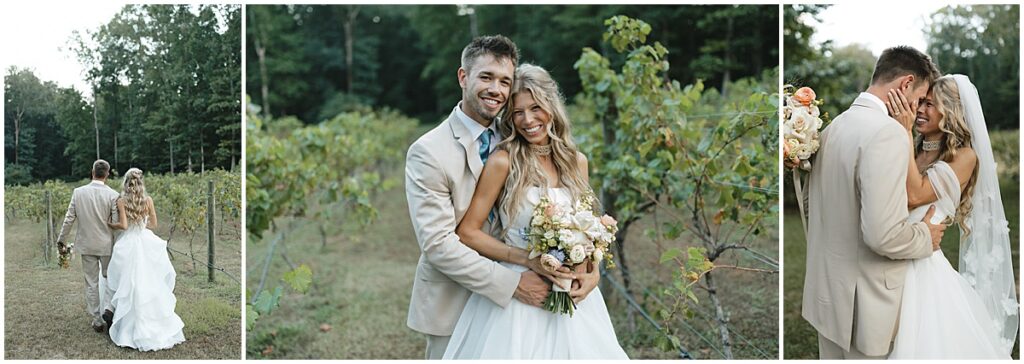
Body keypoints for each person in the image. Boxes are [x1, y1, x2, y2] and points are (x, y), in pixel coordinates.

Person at [442, 63, 626, 359]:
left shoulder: (576, 162)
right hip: (520, 293)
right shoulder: (503, 162)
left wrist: (594, 274)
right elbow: (467, 232)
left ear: (552, 106)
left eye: (536, 108)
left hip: (573, 294)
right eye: (517, 112)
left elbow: (588, 232)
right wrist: (530, 260)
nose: (528, 120)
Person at [404, 35, 552, 360]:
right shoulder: (428, 152)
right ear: (463, 77)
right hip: (456, 298)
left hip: (519, 307)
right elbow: (438, 244)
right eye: (486, 77)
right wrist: (513, 284)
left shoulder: (517, 137)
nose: (496, 90)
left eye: (504, 81)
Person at [801, 46, 947, 359]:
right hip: (864, 309)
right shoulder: (888, 134)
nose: (918, 107)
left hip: (828, 299)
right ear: (906, 84)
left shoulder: (832, 128)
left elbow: (814, 209)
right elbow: (882, 235)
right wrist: (926, 237)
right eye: (920, 98)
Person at [884, 75, 1017, 358]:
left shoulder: (965, 156)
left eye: (930, 104)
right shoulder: (915, 149)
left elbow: (915, 196)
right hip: (888, 257)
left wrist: (904, 134)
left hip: (922, 270)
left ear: (951, 111)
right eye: (920, 102)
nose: (919, 110)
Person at [106, 168, 185, 351]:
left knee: (130, 283)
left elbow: (124, 225)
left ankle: (128, 325)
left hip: (129, 242)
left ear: (126, 183)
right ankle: (154, 323)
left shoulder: (122, 201)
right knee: (148, 282)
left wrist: (111, 224)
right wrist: (142, 225)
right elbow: (154, 224)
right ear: (141, 183)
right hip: (144, 239)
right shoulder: (148, 200)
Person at [56, 159, 119, 333]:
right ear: (107, 174)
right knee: (109, 278)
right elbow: (115, 222)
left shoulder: (78, 192)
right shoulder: (113, 195)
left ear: (92, 172)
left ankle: (97, 319)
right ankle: (109, 309)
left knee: (91, 282)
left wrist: (61, 240)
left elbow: (69, 219)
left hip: (86, 244)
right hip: (106, 244)